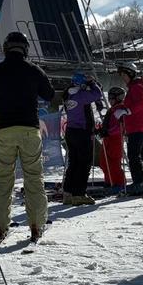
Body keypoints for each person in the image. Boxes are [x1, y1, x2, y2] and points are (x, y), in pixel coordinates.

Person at [0, 30, 55, 243]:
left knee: (3, 180)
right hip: (30, 129)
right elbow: (49, 94)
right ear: (25, 49)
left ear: (6, 48)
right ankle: (36, 225)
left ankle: (0, 227)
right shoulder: (33, 69)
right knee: (34, 178)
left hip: (4, 131)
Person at [61, 72, 103, 205]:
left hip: (71, 131)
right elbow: (97, 94)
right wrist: (92, 83)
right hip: (82, 131)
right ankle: (79, 194)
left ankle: (68, 193)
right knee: (84, 163)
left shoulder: (68, 94)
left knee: (74, 162)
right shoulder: (81, 95)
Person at [117, 63, 143, 196]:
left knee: (133, 155)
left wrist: (127, 110)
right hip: (135, 126)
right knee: (133, 155)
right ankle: (139, 182)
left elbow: (141, 103)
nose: (123, 78)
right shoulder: (134, 87)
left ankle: (140, 183)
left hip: (138, 126)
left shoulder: (136, 87)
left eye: (124, 75)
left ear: (130, 74)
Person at [97, 86, 129, 194]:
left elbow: (119, 127)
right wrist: (100, 130)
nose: (110, 100)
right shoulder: (112, 109)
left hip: (115, 139)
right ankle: (109, 180)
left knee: (114, 162)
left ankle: (119, 183)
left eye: (112, 98)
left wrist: (108, 132)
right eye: (109, 98)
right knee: (103, 161)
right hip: (107, 139)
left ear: (118, 98)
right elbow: (108, 124)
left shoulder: (121, 109)